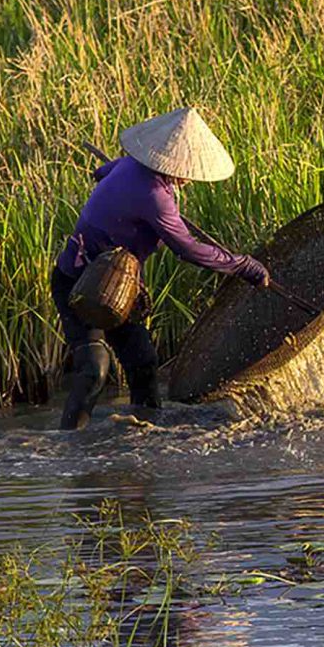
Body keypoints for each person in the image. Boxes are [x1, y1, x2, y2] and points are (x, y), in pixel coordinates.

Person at [54, 105, 271, 429]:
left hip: (118, 289)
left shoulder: (129, 166)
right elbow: (188, 250)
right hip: (78, 283)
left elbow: (100, 173)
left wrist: (117, 185)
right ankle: (71, 447)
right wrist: (243, 265)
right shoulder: (156, 196)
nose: (188, 177)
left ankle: (143, 437)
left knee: (143, 362)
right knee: (93, 370)